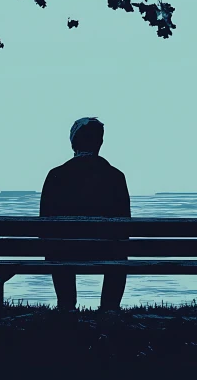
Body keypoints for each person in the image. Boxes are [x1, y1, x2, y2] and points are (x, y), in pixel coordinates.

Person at [40, 117, 130, 311]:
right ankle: (109, 309)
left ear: (73, 143)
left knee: (58, 247)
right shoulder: (115, 176)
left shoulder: (56, 175)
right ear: (100, 143)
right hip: (107, 251)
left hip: (65, 252)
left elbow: (44, 224)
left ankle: (66, 306)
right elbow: (125, 226)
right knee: (120, 252)